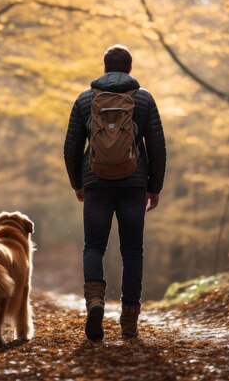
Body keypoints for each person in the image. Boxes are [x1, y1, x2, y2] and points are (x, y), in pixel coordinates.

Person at [63, 44, 166, 340]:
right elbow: (157, 146)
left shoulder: (85, 100)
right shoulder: (143, 99)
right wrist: (154, 187)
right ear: (129, 68)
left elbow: (71, 146)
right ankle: (129, 321)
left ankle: (95, 301)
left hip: (96, 182)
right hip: (134, 185)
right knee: (132, 251)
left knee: (94, 246)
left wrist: (77, 183)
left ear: (105, 67)